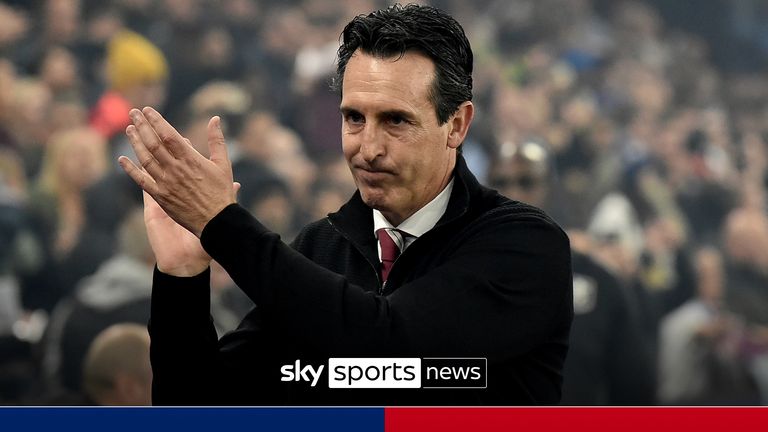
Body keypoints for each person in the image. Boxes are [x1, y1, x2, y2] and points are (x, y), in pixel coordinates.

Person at [118, 4, 572, 405]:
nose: (367, 147)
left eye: (395, 120)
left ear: (456, 124)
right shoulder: (320, 248)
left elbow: (388, 348)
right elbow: (199, 408)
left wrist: (223, 225)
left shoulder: (524, 245)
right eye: (354, 118)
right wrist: (182, 278)